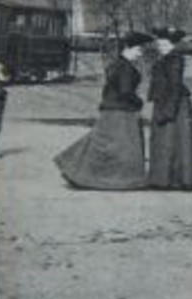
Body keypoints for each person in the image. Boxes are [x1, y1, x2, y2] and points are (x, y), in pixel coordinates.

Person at [54, 32, 152, 189]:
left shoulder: (116, 63)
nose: (140, 55)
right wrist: (139, 102)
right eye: (138, 50)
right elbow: (125, 91)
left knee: (101, 143)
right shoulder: (125, 67)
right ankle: (119, 178)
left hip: (111, 109)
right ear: (128, 48)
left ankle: (76, 171)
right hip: (122, 112)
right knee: (123, 148)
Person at [146, 28, 192, 191]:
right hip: (165, 102)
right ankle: (164, 178)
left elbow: (175, 86)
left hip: (175, 105)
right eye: (159, 43)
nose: (160, 46)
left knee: (178, 141)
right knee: (166, 142)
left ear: (171, 44)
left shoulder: (175, 59)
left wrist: (168, 111)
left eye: (164, 43)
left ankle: (180, 179)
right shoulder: (165, 58)